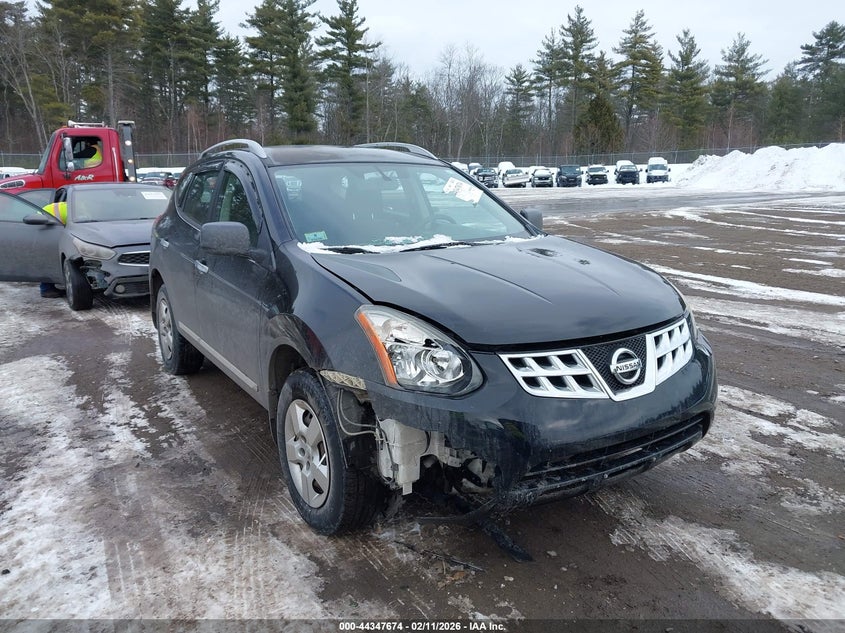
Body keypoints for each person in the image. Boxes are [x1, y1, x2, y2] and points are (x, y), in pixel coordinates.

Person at [39, 201, 68, 298]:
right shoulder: (81, 210)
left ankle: (47, 288)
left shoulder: (71, 205)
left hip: (43, 228)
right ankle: (46, 289)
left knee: (48, 258)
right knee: (49, 258)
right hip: (44, 230)